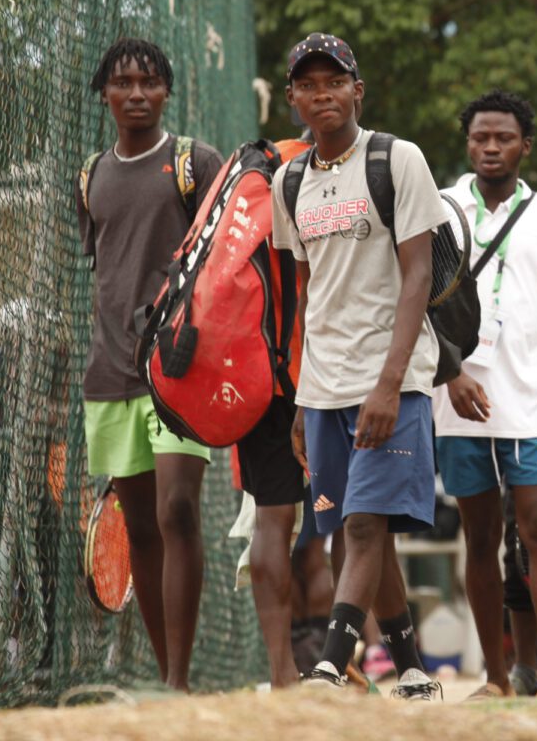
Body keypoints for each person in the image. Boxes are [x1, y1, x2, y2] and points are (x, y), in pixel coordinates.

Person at [271, 33, 443, 700]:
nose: (323, 95)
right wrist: (299, 395)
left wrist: (389, 384)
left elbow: (419, 272)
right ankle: (410, 668)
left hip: (391, 377)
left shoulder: (397, 159)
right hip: (323, 386)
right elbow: (309, 292)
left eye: (334, 82)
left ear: (357, 90)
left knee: (365, 524)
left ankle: (328, 666)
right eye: (308, 86)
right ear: (292, 100)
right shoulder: (290, 181)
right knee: (353, 524)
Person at [432, 89, 537, 699]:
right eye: (481, 138)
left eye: (504, 138)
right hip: (459, 399)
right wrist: (451, 371)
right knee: (478, 536)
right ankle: (497, 677)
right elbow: (422, 303)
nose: (491, 147)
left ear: (526, 146)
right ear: (467, 142)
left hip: (535, 399)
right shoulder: (442, 207)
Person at [76, 38, 223, 691]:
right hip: (110, 376)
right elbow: (105, 271)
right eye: (123, 82)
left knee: (178, 512)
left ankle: (180, 685)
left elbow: (226, 263)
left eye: (150, 82)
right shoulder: (90, 177)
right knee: (140, 528)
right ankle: (167, 684)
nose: (137, 93)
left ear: (167, 92)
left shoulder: (195, 163)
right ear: (104, 94)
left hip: (180, 372)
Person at [232, 131, 313, 689]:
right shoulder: (343, 170)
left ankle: (283, 671)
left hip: (257, 370)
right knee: (360, 524)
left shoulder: (251, 168)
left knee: (272, 520)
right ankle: (351, 662)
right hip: (323, 371)